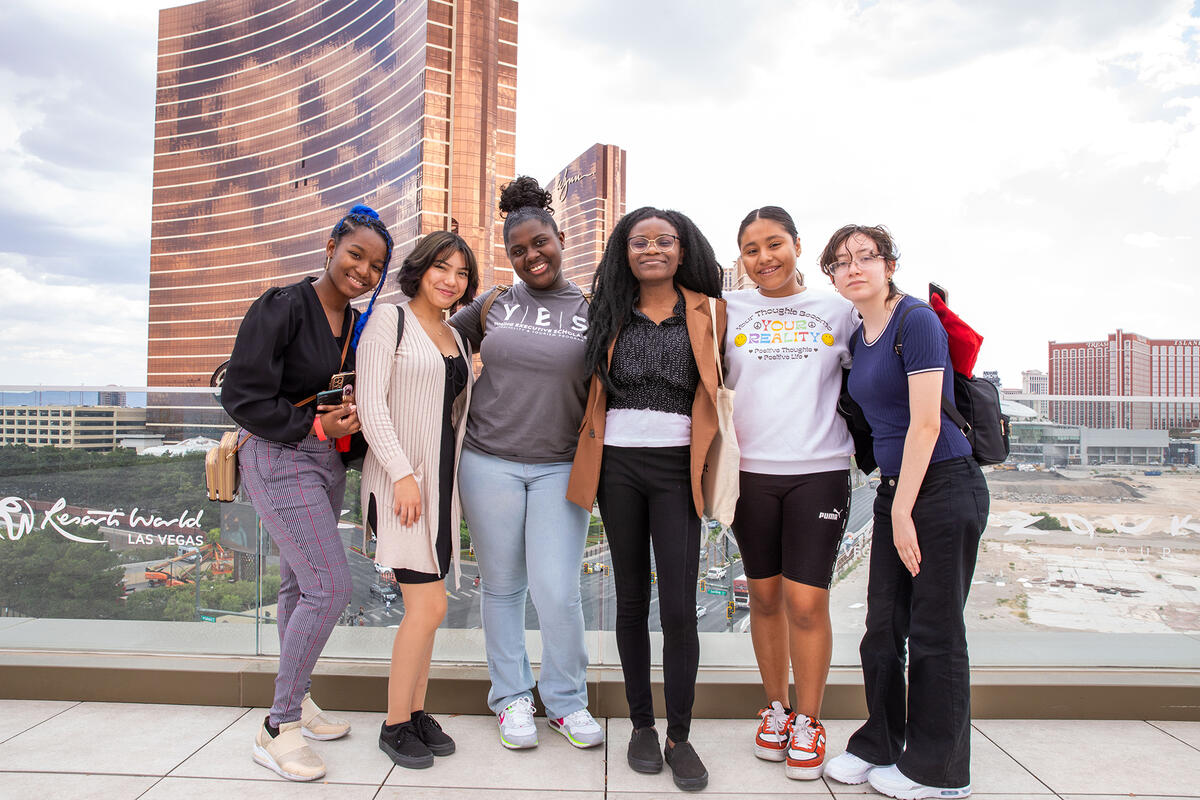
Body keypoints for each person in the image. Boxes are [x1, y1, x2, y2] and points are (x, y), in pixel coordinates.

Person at [817, 225, 989, 800]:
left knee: (935, 631)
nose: (854, 267)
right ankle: (881, 744)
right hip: (900, 490)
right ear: (833, 278)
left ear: (890, 265)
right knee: (882, 629)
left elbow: (926, 424)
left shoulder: (915, 322)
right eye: (841, 262)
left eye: (867, 256)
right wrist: (894, 503)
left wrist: (900, 511)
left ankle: (939, 771)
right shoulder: (862, 334)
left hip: (941, 487)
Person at [221, 204, 392, 782]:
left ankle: (301, 699)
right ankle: (278, 727)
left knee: (300, 584)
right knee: (330, 585)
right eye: (355, 255)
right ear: (330, 246)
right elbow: (242, 394)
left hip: (325, 461)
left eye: (375, 266)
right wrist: (316, 427)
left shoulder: (353, 323)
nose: (363, 271)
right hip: (277, 455)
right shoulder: (285, 306)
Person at [566, 206, 725, 792]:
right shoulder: (607, 312)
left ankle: (680, 735)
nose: (652, 248)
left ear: (683, 250)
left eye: (665, 240)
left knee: (681, 607)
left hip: (678, 467)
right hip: (616, 468)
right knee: (631, 599)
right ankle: (640, 725)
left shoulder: (708, 311)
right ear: (623, 250)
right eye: (639, 241)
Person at [449, 176, 603, 751]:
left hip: (561, 465)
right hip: (487, 461)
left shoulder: (595, 309)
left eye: (540, 244)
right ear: (508, 258)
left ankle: (566, 701)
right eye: (518, 251)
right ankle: (511, 697)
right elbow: (431, 339)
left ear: (560, 238)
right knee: (503, 587)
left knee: (558, 589)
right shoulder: (491, 305)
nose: (531, 257)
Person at [724, 207, 858, 779]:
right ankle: (776, 709)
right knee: (765, 597)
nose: (765, 258)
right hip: (750, 474)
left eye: (774, 244)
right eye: (751, 249)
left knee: (807, 601)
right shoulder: (727, 311)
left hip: (820, 470)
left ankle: (809, 718)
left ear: (798, 245)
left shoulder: (839, 310)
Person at [357, 230, 478, 769]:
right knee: (426, 606)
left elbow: (449, 415)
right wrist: (402, 474)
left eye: (461, 273)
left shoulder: (456, 337)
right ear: (422, 268)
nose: (451, 280)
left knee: (430, 610)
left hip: (442, 487)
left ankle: (417, 710)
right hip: (402, 486)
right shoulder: (391, 319)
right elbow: (372, 402)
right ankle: (393, 723)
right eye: (442, 268)